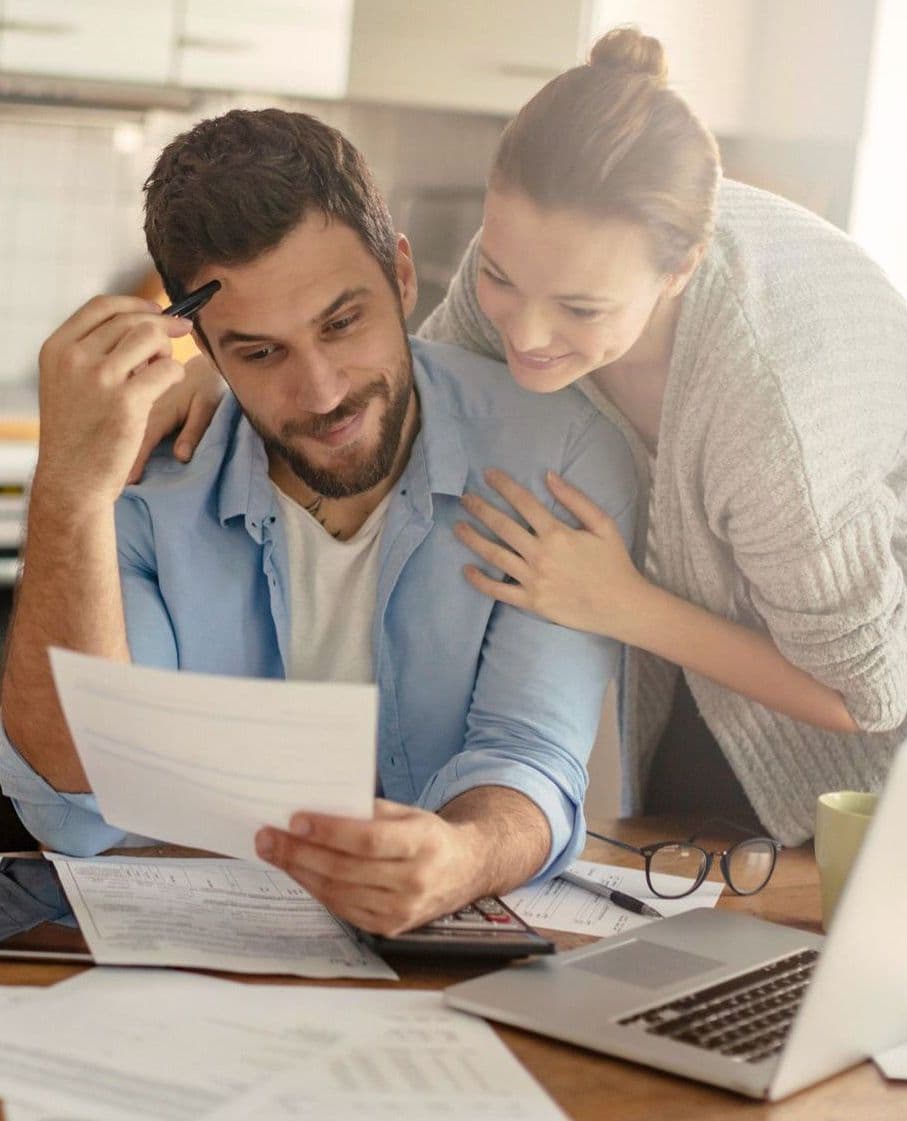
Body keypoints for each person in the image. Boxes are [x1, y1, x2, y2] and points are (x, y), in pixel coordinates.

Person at [148, 28, 907, 848]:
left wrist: (622, 604)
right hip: (729, 663)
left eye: (579, 308)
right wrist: (233, 369)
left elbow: (864, 695)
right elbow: (417, 388)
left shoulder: (774, 416)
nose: (525, 334)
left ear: (680, 268)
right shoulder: (537, 273)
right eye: (497, 276)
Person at [0, 108, 638, 935]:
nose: (325, 391)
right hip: (189, 958)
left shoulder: (559, 453)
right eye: (261, 353)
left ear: (403, 277)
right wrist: (68, 493)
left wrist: (463, 854)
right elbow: (75, 799)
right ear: (204, 347)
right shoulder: (143, 477)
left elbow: (529, 752)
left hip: (441, 962)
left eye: (343, 322)